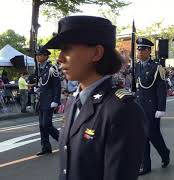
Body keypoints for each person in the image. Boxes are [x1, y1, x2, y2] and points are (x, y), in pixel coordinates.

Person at [43, 16, 146, 180]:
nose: (59, 58)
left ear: (97, 53)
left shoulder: (122, 110)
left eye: (67, 49)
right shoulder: (74, 102)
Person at [134, 37, 170, 175]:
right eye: (138, 49)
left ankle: (164, 153)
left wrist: (161, 108)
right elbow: (136, 87)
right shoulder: (137, 66)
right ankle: (145, 165)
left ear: (149, 51)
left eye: (142, 49)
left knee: (153, 135)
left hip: (152, 107)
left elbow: (161, 89)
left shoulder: (156, 67)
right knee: (142, 136)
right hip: (139, 106)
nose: (139, 52)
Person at [34, 48, 61, 156]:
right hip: (41, 100)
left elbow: (56, 85)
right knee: (42, 125)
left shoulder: (51, 68)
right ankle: (45, 147)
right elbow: (43, 84)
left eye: (39, 55)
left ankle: (64, 141)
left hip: (49, 101)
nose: (37, 57)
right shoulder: (40, 69)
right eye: (37, 55)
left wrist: (56, 100)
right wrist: (37, 89)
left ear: (45, 56)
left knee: (47, 124)